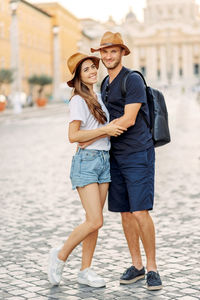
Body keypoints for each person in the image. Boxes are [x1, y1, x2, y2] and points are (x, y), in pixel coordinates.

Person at [90, 31, 163, 290]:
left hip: (137, 153)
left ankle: (152, 267)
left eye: (113, 51)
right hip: (114, 155)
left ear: (122, 53)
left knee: (140, 210)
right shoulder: (105, 84)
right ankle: (137, 265)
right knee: (124, 212)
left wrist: (99, 132)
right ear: (100, 55)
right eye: (104, 51)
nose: (108, 55)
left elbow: (130, 118)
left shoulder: (131, 80)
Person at [47, 52, 126, 287]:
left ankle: (85, 270)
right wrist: (104, 131)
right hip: (87, 163)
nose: (92, 71)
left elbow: (93, 133)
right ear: (78, 77)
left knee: (94, 220)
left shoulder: (98, 97)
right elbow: (73, 136)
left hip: (103, 161)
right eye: (86, 69)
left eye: (93, 67)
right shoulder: (78, 100)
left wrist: (100, 133)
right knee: (94, 220)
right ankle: (59, 256)